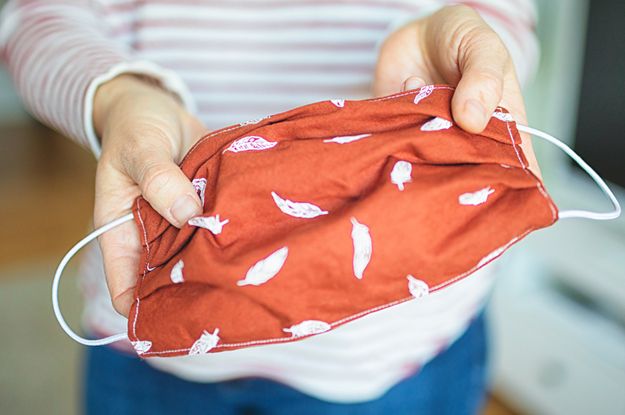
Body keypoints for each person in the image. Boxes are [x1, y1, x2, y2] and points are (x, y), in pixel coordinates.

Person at [0, 1, 540, 413]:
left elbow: (503, 14)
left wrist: (468, 51)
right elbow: (36, 16)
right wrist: (117, 97)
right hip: (151, 319)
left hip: (396, 349)